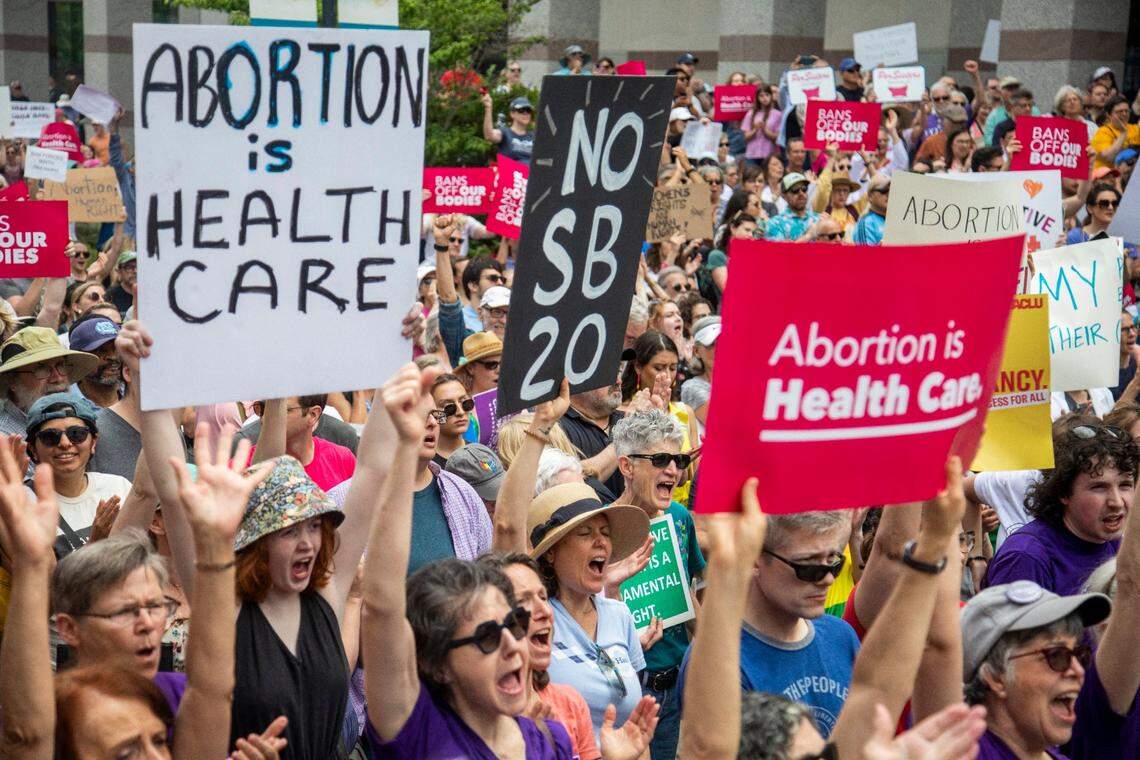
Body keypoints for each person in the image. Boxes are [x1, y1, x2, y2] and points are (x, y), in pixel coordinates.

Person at [126, 319, 402, 758]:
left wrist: (395, 348)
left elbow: (373, 470)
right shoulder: (225, 605)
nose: (308, 542)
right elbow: (172, 495)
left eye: (314, 526)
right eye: (289, 530)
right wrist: (147, 379)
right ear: (257, 541)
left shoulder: (328, 593)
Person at [0, 427, 283, 759]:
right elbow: (26, 737)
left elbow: (214, 690)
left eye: (161, 741)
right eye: (125, 753)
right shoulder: (55, 713)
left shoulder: (173, 692)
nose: (148, 623)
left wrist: (217, 544)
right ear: (69, 629)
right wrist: (32, 564)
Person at [359, 362, 576, 757]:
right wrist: (405, 451)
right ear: (439, 665)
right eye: (487, 637)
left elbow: (508, 534)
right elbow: (381, 607)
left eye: (515, 623)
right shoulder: (418, 730)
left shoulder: (552, 740)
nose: (513, 645)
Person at [678, 506, 860, 739]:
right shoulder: (718, 663)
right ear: (755, 558)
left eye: (833, 562)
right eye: (808, 566)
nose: (827, 579)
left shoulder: (841, 637)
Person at [610, 411, 705, 758]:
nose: (673, 470)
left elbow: (686, 593)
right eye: (661, 459)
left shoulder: (679, 518)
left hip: (676, 687)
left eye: (678, 460)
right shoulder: (601, 526)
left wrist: (712, 654)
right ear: (626, 466)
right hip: (626, 691)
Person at [528, 481, 651, 737]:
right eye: (585, 533)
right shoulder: (536, 621)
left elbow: (637, 725)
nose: (601, 542)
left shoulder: (620, 614)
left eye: (605, 532)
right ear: (551, 552)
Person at [962, 580, 1111, 759]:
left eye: (1080, 655)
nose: (1078, 671)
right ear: (995, 676)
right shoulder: (966, 754)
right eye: (1056, 655)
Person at [985, 421, 1136, 595]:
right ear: (1063, 492)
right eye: (1099, 487)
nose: (1117, 502)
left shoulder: (1117, 543)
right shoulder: (1026, 557)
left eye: (1125, 485)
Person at [25, 392, 132, 558]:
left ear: (93, 442)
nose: (65, 443)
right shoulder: (22, 503)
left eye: (76, 434)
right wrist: (95, 544)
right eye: (50, 437)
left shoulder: (119, 487)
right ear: (33, 449)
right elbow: (38, 573)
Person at [0, 327, 98, 437]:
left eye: (60, 365)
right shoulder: (4, 437)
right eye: (41, 369)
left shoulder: (83, 420)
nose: (57, 378)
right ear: (12, 380)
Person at [248, 395, 357, 492]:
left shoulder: (342, 459)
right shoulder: (246, 464)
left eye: (282, 411)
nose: (265, 418)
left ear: (313, 415)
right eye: (262, 408)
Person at [68, 316, 123, 408]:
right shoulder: (64, 404)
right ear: (78, 357)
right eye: (101, 351)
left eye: (116, 348)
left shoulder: (138, 393)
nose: (112, 357)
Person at [680, 315, 719, 433]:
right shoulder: (691, 388)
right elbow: (722, 425)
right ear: (696, 351)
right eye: (711, 345)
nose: (718, 349)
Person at [432, 372, 475, 463]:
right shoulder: (423, 464)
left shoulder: (480, 454)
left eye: (465, 403)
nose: (460, 412)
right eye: (449, 407)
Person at [765, 173, 821, 242]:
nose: (801, 193)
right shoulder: (775, 224)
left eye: (804, 189)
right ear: (784, 196)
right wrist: (808, 236)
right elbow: (781, 249)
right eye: (795, 190)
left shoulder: (819, 219)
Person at [483, 94, 535, 166]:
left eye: (528, 110)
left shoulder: (534, 137)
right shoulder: (505, 133)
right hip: (510, 172)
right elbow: (489, 135)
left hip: (531, 172)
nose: (525, 113)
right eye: (521, 110)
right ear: (512, 114)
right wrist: (488, 108)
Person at [1092, 95, 1140, 170]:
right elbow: (1109, 157)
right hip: (1108, 175)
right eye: (1119, 112)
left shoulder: (1135, 129)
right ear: (1109, 115)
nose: (1124, 114)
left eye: (1127, 111)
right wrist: (1123, 133)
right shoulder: (1103, 132)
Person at [743, 86, 781, 165]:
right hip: (752, 153)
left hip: (768, 153)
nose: (764, 98)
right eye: (761, 96)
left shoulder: (777, 114)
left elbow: (777, 137)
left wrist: (765, 130)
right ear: (757, 98)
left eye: (767, 95)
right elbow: (745, 137)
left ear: (771, 96)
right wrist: (755, 129)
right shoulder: (750, 114)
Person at [456, 331, 503, 395]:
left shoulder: (512, 396)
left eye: (503, 364)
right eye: (491, 365)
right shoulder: (459, 399)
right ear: (470, 368)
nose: (499, 370)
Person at [852, 175, 889, 245]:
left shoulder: (896, 221)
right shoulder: (865, 223)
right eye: (883, 190)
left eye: (891, 190)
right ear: (870, 196)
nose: (888, 194)